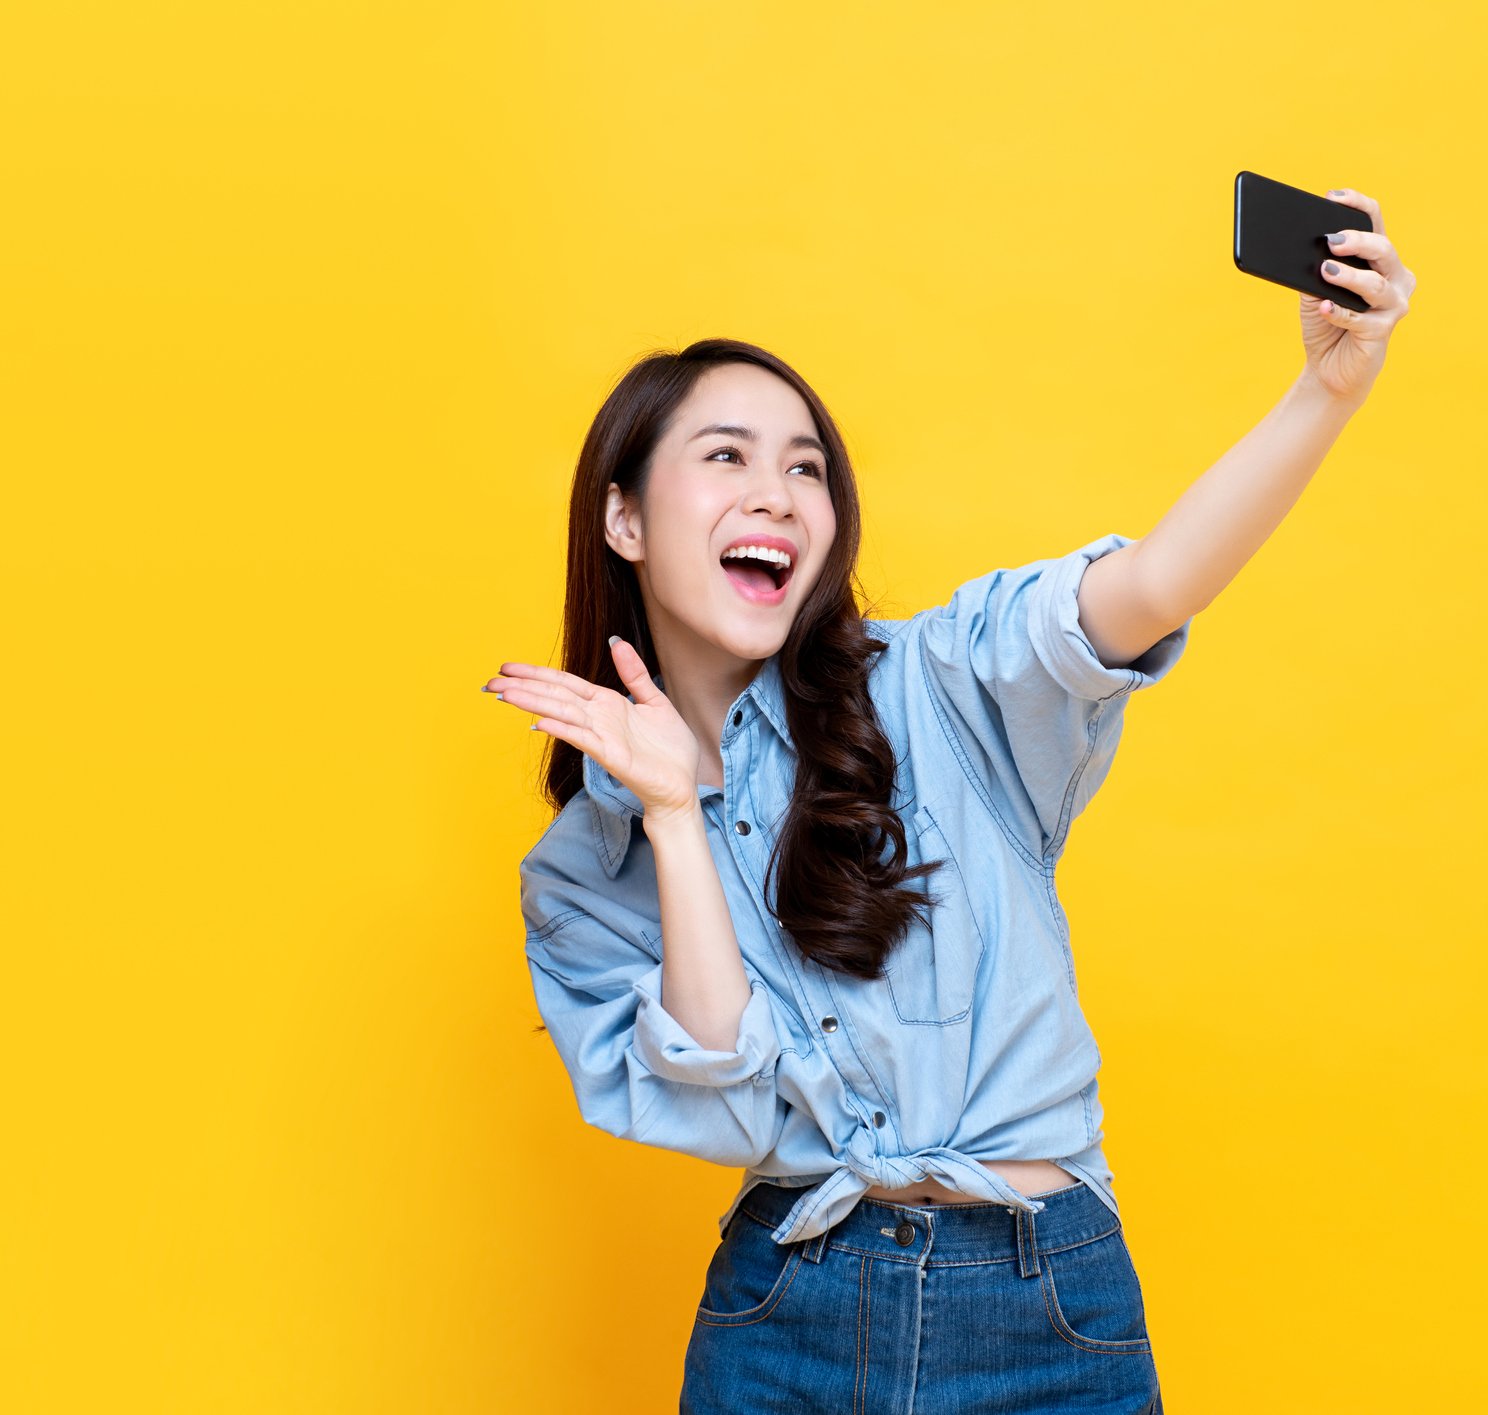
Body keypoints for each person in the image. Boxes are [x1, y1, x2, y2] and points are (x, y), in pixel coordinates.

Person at [488, 189, 1412, 1412]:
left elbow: (1154, 583)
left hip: (1045, 1305)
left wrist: (1327, 391)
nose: (776, 494)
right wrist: (669, 813)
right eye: (726, 458)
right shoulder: (585, 868)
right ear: (623, 515)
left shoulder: (941, 683)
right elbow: (716, 1091)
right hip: (786, 1321)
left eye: (805, 467)